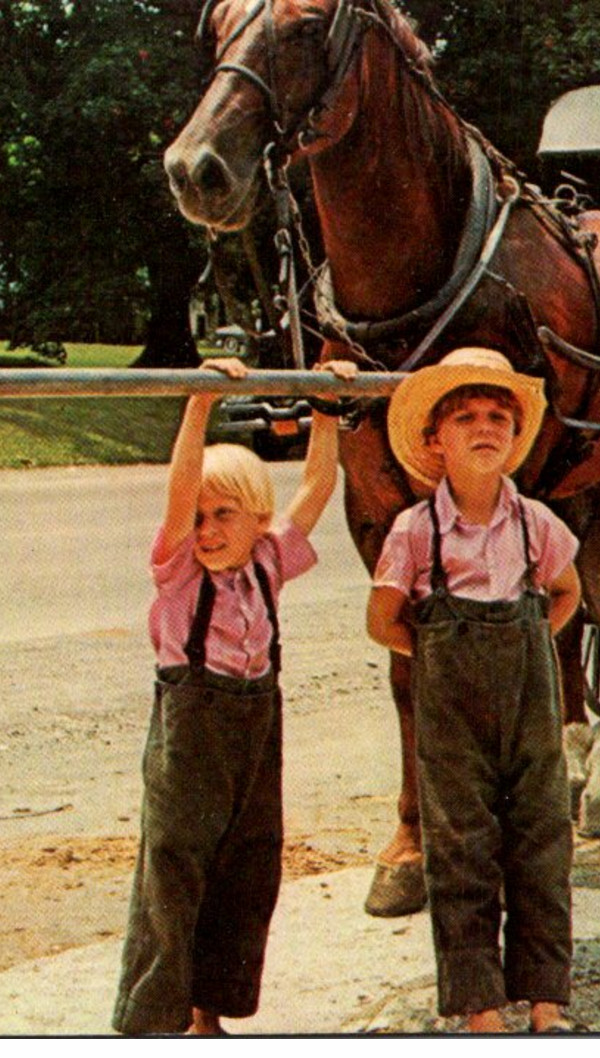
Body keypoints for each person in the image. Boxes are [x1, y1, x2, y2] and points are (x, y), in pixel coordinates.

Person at [113, 355, 358, 1035]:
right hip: (191, 729)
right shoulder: (179, 572)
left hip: (255, 725)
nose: (208, 530)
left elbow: (316, 485)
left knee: (247, 866)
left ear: (257, 518)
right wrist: (198, 404)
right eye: (198, 518)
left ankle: (207, 1014)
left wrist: (326, 410)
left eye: (224, 515)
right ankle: (151, 1022)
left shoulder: (269, 562)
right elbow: (181, 488)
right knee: (176, 867)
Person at [366, 347, 583, 1033]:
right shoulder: (414, 530)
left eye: (498, 416)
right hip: (451, 713)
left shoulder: (536, 525)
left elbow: (567, 593)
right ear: (435, 440)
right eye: (465, 417)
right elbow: (383, 622)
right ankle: (479, 1008)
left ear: (516, 437)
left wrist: (524, 646)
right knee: (460, 848)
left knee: (541, 839)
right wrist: (437, 653)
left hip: (527, 704)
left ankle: (546, 1001)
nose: (484, 427)